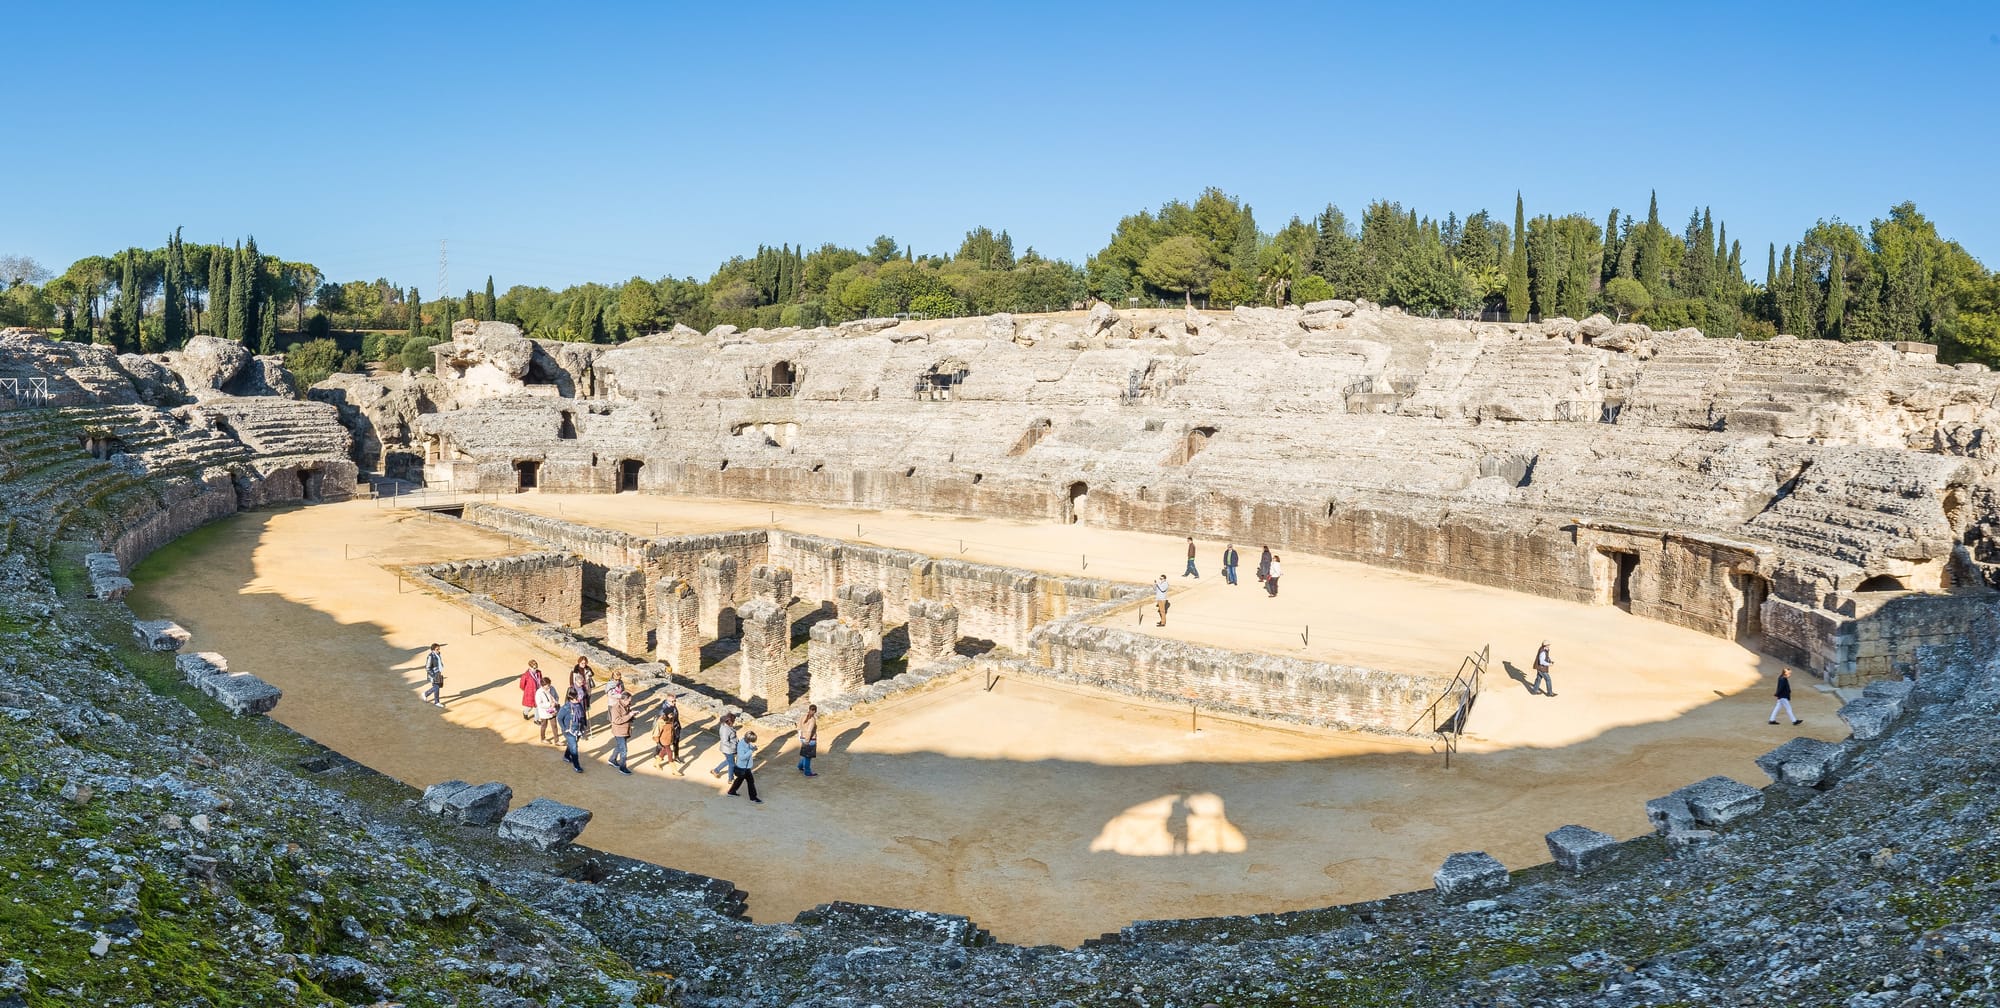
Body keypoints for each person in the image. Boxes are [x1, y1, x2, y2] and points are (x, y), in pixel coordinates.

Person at [606, 679, 634, 775]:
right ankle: (623, 767)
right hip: (619, 731)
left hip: (625, 730)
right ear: (623, 699)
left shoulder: (626, 705)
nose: (630, 703)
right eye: (629, 701)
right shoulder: (616, 708)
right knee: (624, 750)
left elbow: (625, 716)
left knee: (619, 746)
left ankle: (612, 759)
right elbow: (617, 720)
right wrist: (629, 715)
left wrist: (632, 715)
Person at [726, 730, 762, 803]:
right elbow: (742, 757)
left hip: (743, 767)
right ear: (748, 739)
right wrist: (751, 750)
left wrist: (752, 747)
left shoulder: (745, 742)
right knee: (750, 781)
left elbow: (749, 746)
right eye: (751, 741)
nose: (751, 742)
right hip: (743, 768)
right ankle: (753, 798)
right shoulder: (741, 746)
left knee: (740, 779)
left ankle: (731, 792)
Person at [557, 687, 586, 774]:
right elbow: (559, 718)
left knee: (573, 744)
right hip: (569, 731)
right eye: (576, 698)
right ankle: (577, 766)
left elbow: (583, 716)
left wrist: (584, 725)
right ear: (571, 699)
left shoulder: (579, 705)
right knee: (574, 747)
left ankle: (566, 756)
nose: (578, 699)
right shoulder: (565, 708)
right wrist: (564, 728)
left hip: (578, 729)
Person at [654, 694, 684, 773]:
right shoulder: (662, 715)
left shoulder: (672, 710)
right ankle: (674, 770)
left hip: (670, 735)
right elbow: (657, 728)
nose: (674, 702)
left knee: (664, 750)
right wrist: (657, 740)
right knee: (669, 753)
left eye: (675, 701)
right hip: (664, 738)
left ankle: (657, 763)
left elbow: (675, 719)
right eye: (672, 701)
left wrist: (677, 727)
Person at [569, 658, 595, 737]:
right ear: (579, 662)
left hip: (586, 691)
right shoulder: (574, 671)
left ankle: (582, 728)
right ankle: (575, 729)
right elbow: (571, 683)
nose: (584, 664)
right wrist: (574, 692)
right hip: (577, 694)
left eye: (585, 663)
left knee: (584, 712)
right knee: (576, 714)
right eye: (582, 663)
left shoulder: (587, 669)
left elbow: (592, 674)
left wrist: (589, 672)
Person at [710, 712, 739, 779]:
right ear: (730, 721)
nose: (734, 722)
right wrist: (734, 746)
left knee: (729, 761)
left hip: (729, 748)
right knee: (731, 764)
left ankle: (716, 770)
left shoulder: (727, 727)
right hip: (728, 749)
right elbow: (725, 741)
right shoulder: (725, 729)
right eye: (733, 721)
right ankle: (731, 778)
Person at [534, 678, 560, 743]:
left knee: (554, 725)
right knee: (544, 725)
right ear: (543, 685)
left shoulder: (552, 688)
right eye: (547, 685)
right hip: (544, 712)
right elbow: (539, 704)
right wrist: (549, 704)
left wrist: (555, 702)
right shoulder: (539, 692)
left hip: (552, 710)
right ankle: (543, 739)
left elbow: (556, 696)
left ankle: (556, 741)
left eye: (549, 685)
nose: (549, 686)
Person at [797, 704, 820, 777]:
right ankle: (807, 772)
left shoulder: (803, 716)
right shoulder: (812, 719)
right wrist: (807, 740)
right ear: (815, 711)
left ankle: (800, 766)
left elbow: (799, 726)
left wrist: (800, 736)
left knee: (804, 754)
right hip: (809, 739)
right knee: (808, 756)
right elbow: (809, 731)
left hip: (802, 737)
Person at [421, 643, 446, 707]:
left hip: (438, 672)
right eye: (437, 649)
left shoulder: (438, 654)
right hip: (434, 674)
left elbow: (438, 662)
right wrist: (433, 675)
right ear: (433, 650)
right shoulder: (430, 656)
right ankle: (436, 702)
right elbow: (427, 667)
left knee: (437, 687)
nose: (438, 651)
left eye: (439, 649)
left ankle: (425, 694)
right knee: (437, 687)